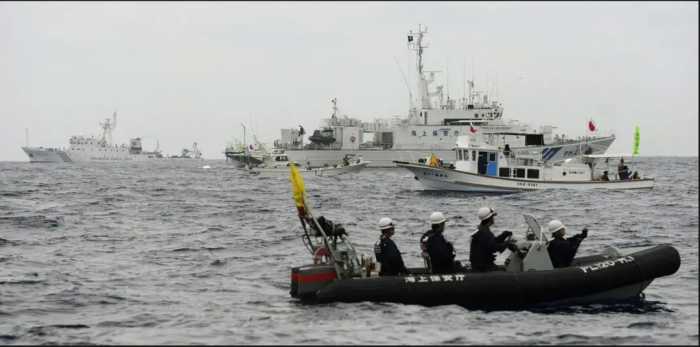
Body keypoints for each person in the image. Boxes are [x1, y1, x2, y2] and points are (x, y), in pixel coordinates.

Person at [469, 207, 517, 272]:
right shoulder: (485, 233)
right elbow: (496, 248)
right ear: (490, 218)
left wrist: (503, 235)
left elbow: (492, 243)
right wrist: (508, 242)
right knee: (504, 271)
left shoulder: (481, 230)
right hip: (484, 268)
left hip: (479, 266)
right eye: (493, 217)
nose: (493, 219)